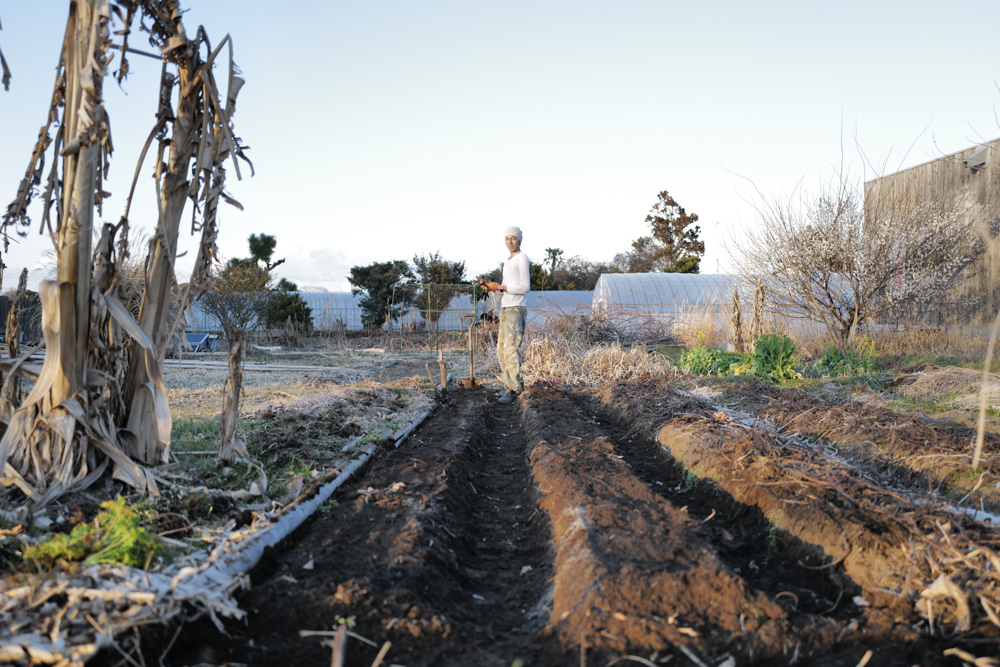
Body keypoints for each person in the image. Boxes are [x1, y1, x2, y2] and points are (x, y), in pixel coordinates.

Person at [495, 226, 530, 404]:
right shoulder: (508, 261)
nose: (510, 242)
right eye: (507, 238)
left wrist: (502, 287)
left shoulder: (522, 258)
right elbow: (506, 286)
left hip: (516, 309)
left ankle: (516, 389)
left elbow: (525, 287)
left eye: (513, 238)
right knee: (501, 349)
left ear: (519, 240)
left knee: (511, 349)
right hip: (506, 308)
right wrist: (494, 288)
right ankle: (509, 386)